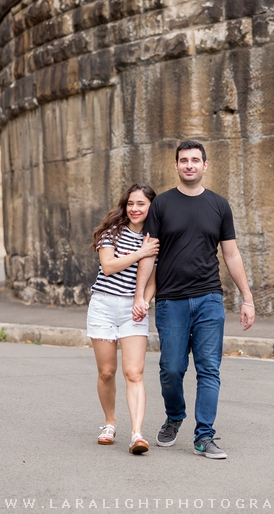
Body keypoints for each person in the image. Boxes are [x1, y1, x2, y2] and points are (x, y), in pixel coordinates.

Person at [132, 140, 256, 460]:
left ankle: (204, 436)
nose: (189, 165)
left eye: (195, 160)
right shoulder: (161, 205)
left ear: (205, 165)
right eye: (183, 160)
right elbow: (149, 254)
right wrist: (140, 296)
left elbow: (231, 253)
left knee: (209, 369)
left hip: (209, 298)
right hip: (171, 300)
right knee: (171, 369)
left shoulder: (219, 205)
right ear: (176, 166)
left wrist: (247, 297)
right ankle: (175, 416)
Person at [88, 184, 160, 454]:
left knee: (134, 372)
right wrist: (141, 253)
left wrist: (144, 301)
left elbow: (155, 277)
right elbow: (108, 267)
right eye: (131, 203)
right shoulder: (112, 233)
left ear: (151, 206)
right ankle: (109, 423)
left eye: (141, 204)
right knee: (107, 372)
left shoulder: (156, 240)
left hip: (133, 310)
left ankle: (137, 434)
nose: (135, 208)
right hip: (104, 306)